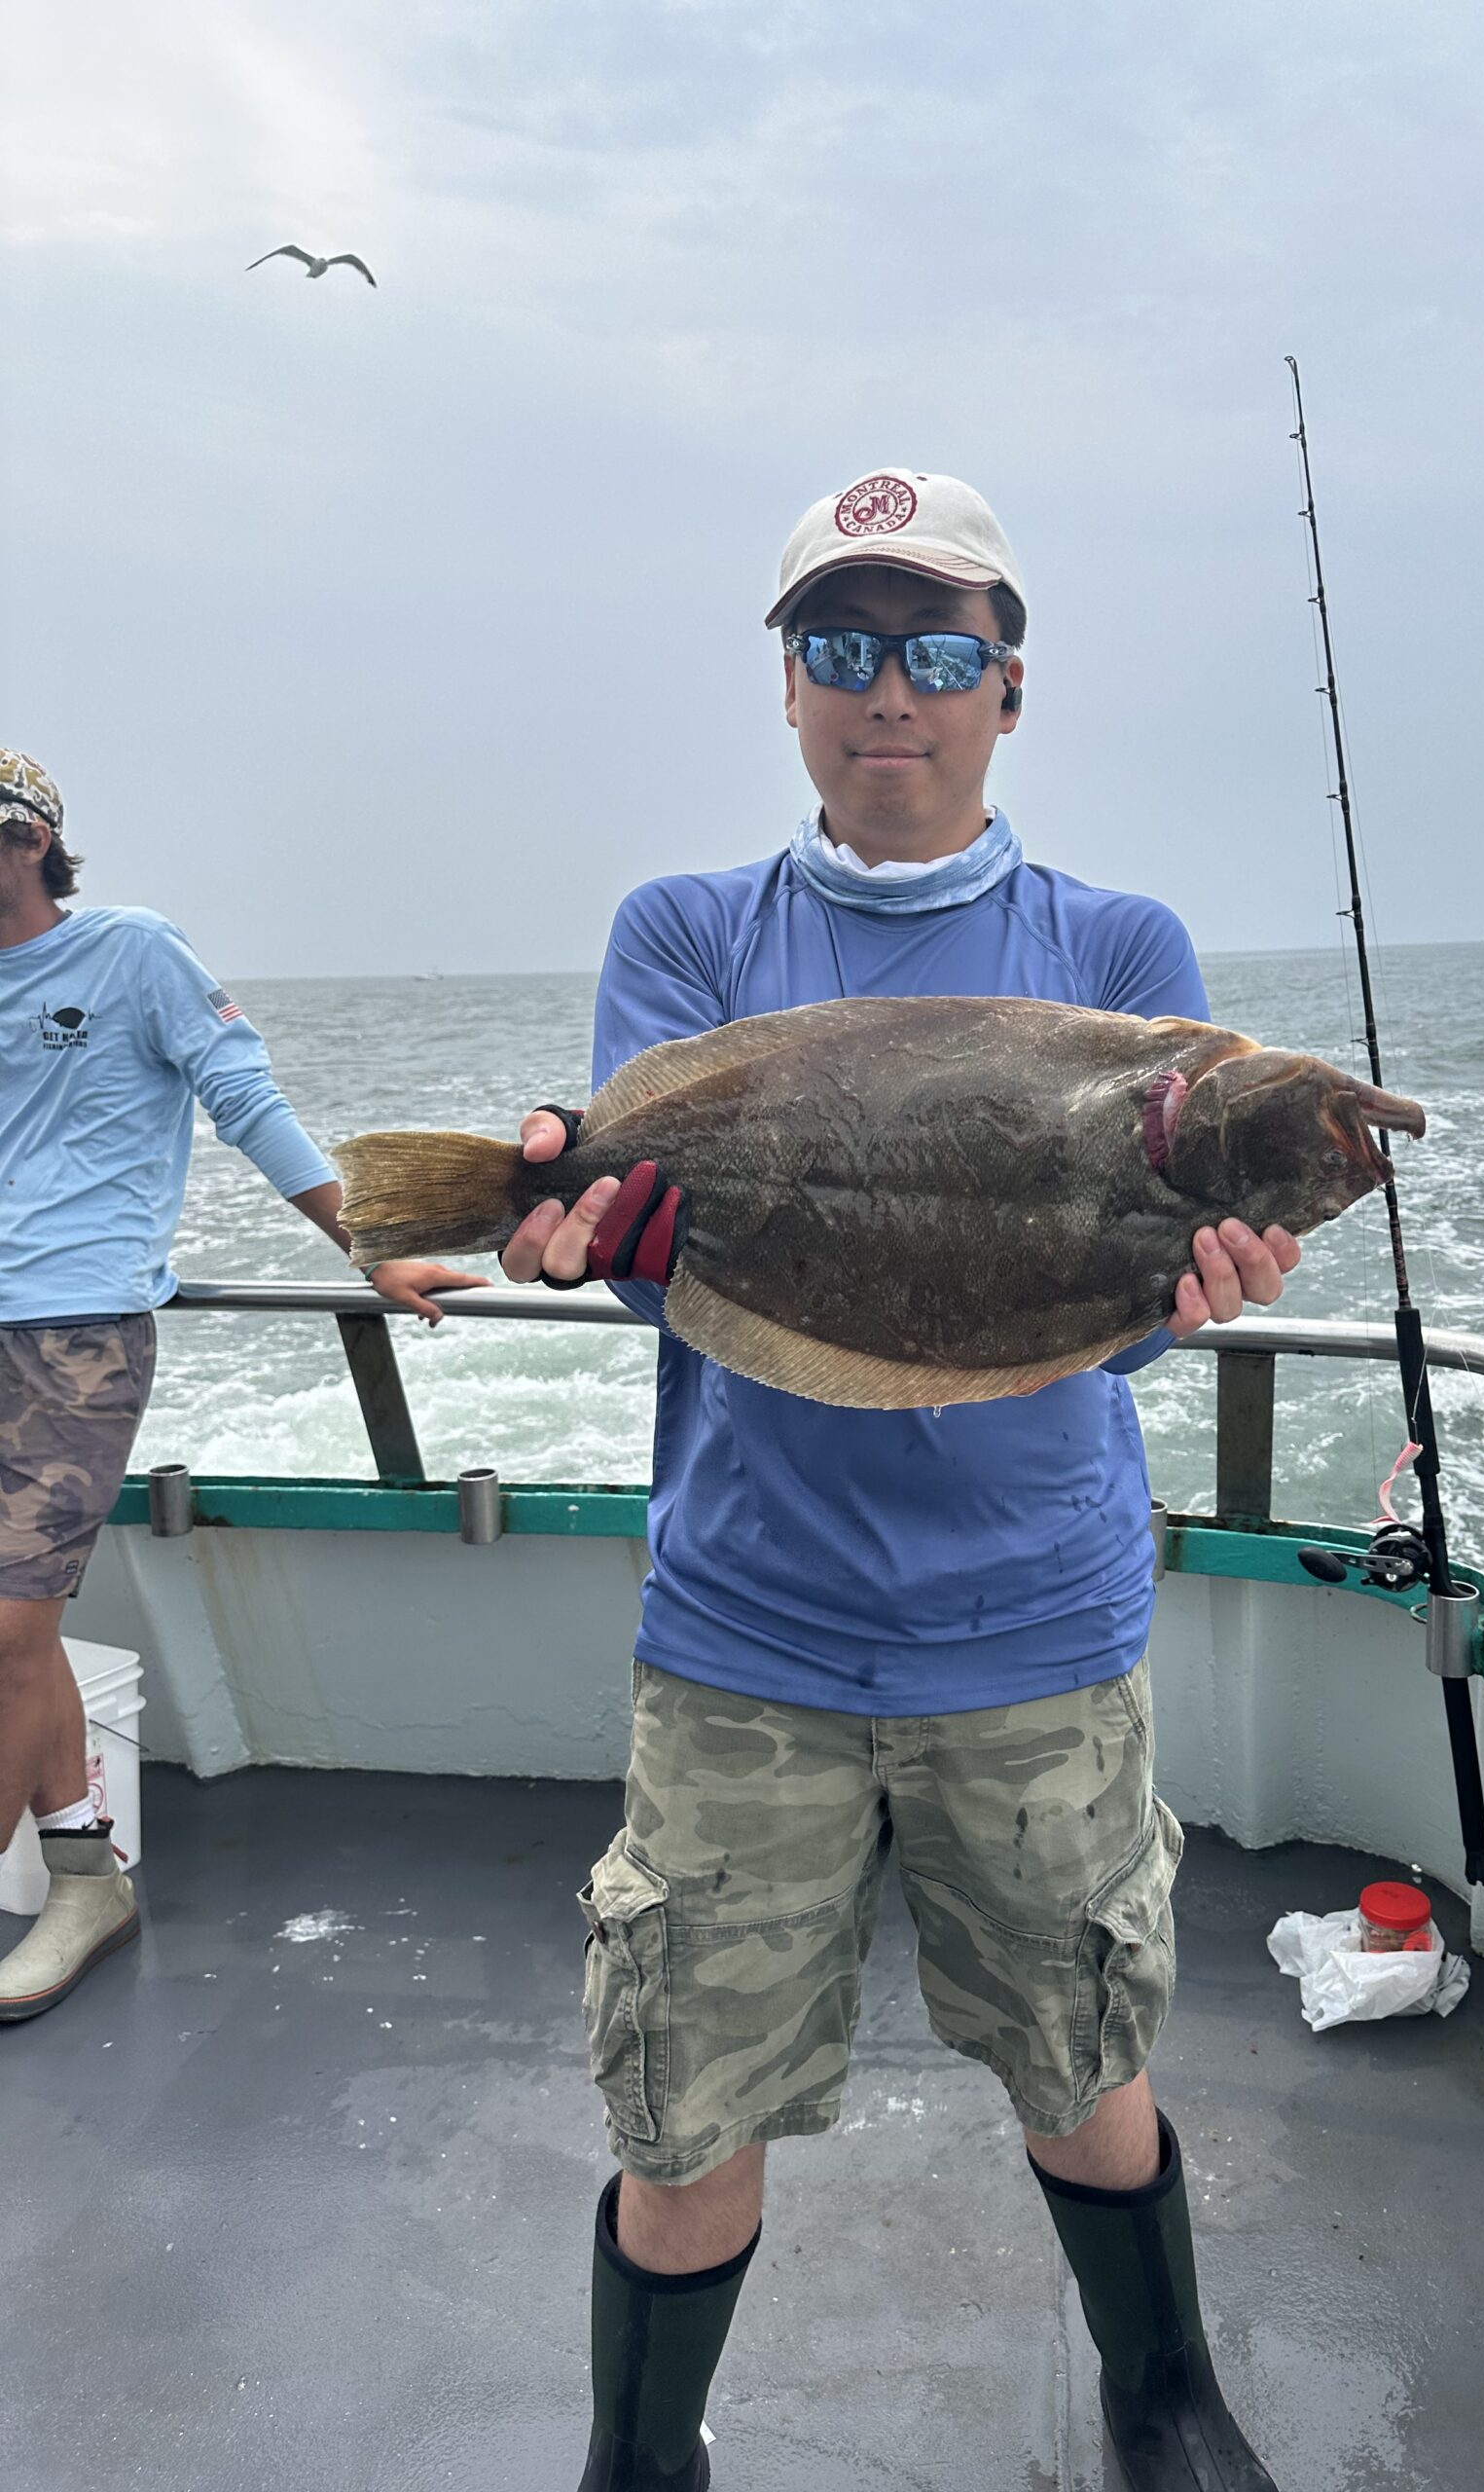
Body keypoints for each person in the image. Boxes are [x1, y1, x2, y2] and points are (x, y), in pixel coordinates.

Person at [501, 473, 1294, 2491]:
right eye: (841, 645)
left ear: (1007, 692)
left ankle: (1163, 2391)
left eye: (938, 650)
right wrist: (594, 1220)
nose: (891, 692)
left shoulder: (1122, 954)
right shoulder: (687, 933)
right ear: (789, 690)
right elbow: (691, 1267)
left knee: (1082, 2063)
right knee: (683, 2108)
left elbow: (1091, 1324)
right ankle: (642, 2455)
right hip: (744, 1632)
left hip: (1032, 1627)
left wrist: (1174, 1292)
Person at [0, 751, 471, 2022]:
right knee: (20, 1632)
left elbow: (246, 1098)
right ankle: (87, 1878)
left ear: (39, 839)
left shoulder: (133, 953)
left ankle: (80, 1884)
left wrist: (365, 1245)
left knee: (2, 1632)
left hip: (76, 1335)